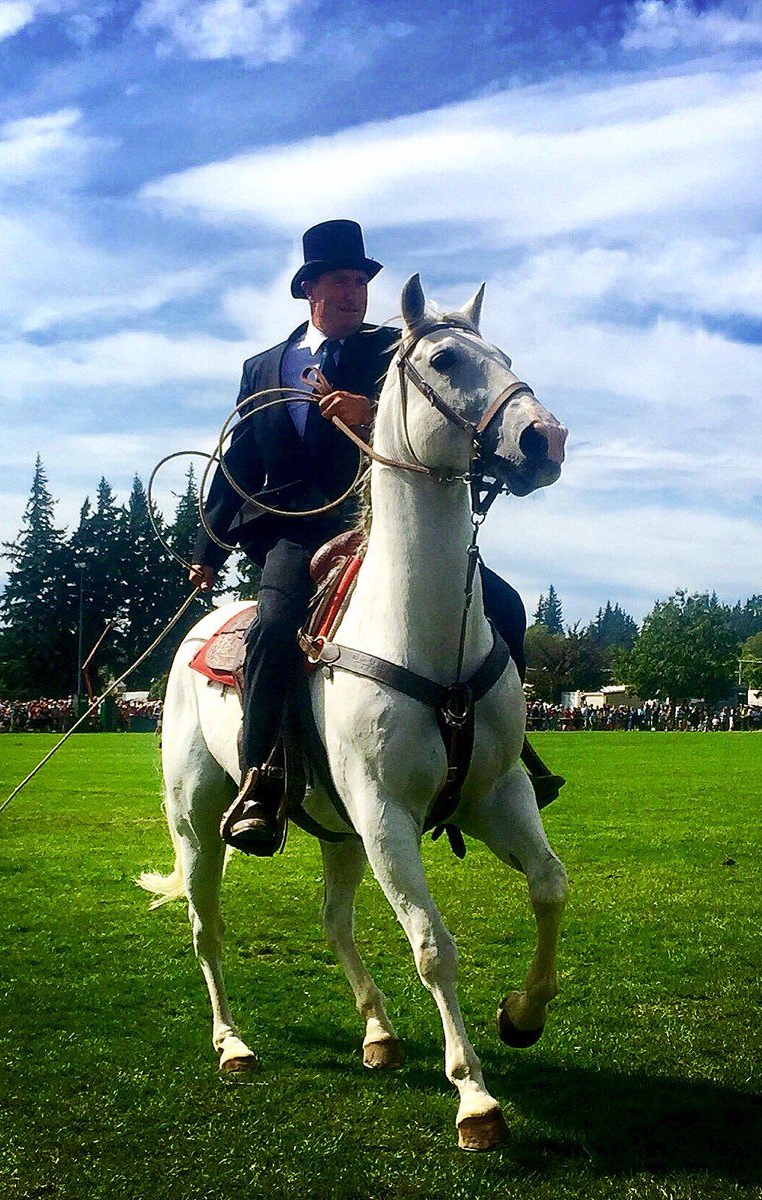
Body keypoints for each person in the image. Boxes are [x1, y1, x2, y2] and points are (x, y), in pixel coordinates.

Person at [189, 219, 562, 855]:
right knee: (274, 625)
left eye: (361, 281)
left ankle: (508, 753)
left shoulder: (394, 350)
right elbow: (240, 461)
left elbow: (433, 406)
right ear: (310, 288)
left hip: (386, 525)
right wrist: (207, 550)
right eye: (341, 280)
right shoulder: (262, 369)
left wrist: (368, 409)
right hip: (297, 533)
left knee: (504, 605)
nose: (354, 292)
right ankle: (262, 779)